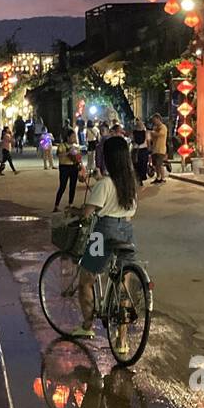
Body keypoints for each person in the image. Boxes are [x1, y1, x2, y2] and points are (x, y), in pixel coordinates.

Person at [71, 135, 139, 339]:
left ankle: (87, 325)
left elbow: (87, 212)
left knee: (86, 279)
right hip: (126, 230)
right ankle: (122, 339)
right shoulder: (131, 183)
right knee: (123, 283)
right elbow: (131, 212)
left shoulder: (106, 184)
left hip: (103, 233)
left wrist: (74, 211)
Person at [54, 128, 83, 210]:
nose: (74, 138)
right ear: (68, 137)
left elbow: (79, 157)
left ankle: (71, 204)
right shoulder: (62, 146)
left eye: (75, 137)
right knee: (62, 186)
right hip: (64, 167)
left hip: (74, 167)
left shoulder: (76, 147)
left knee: (73, 186)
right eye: (73, 137)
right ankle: (56, 205)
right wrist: (68, 153)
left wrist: (80, 164)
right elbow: (59, 155)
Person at [148, 114, 169, 183]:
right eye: (153, 120)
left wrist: (153, 133)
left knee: (159, 164)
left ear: (158, 119)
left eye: (155, 120)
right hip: (155, 149)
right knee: (155, 165)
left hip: (161, 149)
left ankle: (162, 178)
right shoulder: (155, 128)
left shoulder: (163, 127)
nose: (154, 122)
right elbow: (152, 138)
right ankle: (158, 177)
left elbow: (160, 134)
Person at [131, 119, 149, 187]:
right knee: (143, 164)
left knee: (136, 165)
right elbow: (148, 141)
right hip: (144, 150)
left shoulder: (133, 132)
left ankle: (137, 178)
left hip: (136, 150)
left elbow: (132, 140)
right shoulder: (145, 132)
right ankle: (142, 177)